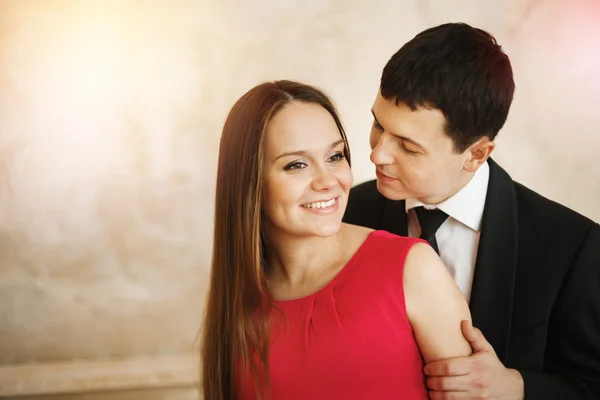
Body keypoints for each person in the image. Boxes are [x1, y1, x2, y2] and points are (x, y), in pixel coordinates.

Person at [343, 22, 600, 399]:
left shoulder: (572, 247)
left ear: (477, 154)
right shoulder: (346, 215)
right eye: (378, 125)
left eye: (408, 146)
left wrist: (518, 387)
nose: (377, 154)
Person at [201, 80, 473, 400]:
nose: (328, 181)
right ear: (250, 182)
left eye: (335, 156)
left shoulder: (413, 267)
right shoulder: (237, 296)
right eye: (296, 164)